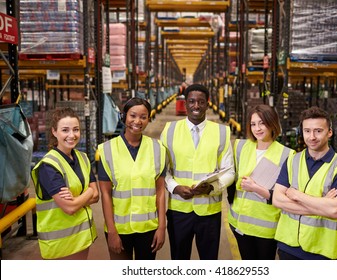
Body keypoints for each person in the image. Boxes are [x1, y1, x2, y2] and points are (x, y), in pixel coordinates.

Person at [160, 83, 235, 260]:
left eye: (201, 102)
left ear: (207, 103)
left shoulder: (222, 132)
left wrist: (213, 189)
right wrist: (175, 187)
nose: (196, 106)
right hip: (179, 209)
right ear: (185, 103)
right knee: (179, 259)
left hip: (209, 211)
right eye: (192, 101)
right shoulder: (169, 130)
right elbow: (163, 170)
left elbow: (229, 171)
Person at [272, 106, 337, 260]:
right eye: (307, 131)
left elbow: (335, 210)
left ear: (329, 132)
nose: (312, 137)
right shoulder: (291, 161)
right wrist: (322, 205)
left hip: (321, 251)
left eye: (318, 131)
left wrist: (297, 195)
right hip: (287, 245)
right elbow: (277, 199)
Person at [98, 97, 166, 260]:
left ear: (148, 119)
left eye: (143, 117)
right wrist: (112, 231)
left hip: (148, 228)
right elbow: (105, 194)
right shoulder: (107, 150)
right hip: (119, 229)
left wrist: (162, 227)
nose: (137, 121)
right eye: (133, 115)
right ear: (124, 116)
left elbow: (160, 190)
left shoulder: (158, 149)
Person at [31, 107, 99, 260]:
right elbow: (70, 207)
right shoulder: (49, 166)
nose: (72, 135)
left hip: (82, 238)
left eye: (76, 129)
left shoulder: (82, 158)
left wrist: (77, 199)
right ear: (54, 132)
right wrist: (87, 192)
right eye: (65, 130)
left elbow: (96, 196)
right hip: (59, 244)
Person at [228, 104, 294, 260]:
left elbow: (286, 195)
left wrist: (256, 188)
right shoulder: (241, 147)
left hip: (267, 227)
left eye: (262, 123)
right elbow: (233, 176)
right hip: (239, 223)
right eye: (253, 124)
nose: (257, 128)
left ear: (272, 124)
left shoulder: (287, 155)